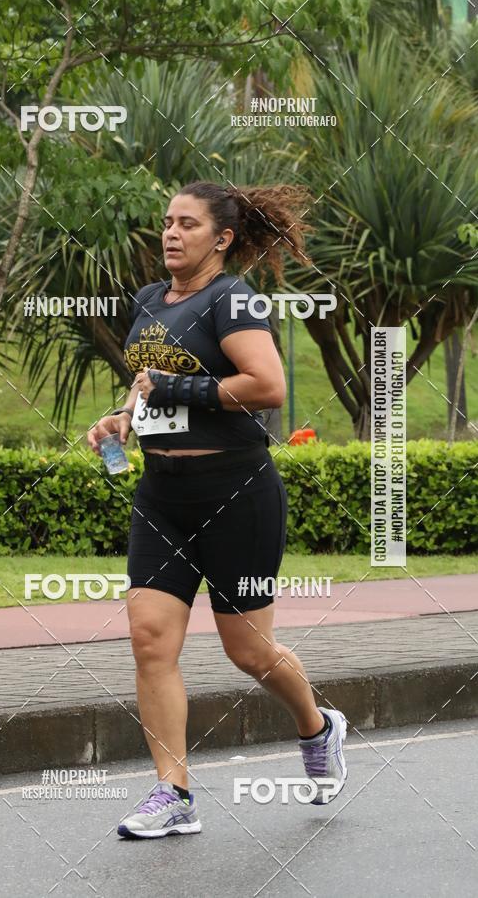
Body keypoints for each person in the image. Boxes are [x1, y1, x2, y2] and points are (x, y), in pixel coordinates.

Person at [87, 180, 348, 839]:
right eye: (167, 222)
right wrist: (121, 418)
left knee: (251, 652)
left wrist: (174, 386)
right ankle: (172, 793)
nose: (171, 233)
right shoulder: (149, 301)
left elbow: (267, 387)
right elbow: (146, 388)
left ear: (222, 239)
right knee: (150, 639)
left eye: (188, 224)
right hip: (162, 496)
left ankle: (318, 726)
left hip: (236, 494)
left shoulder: (232, 299)